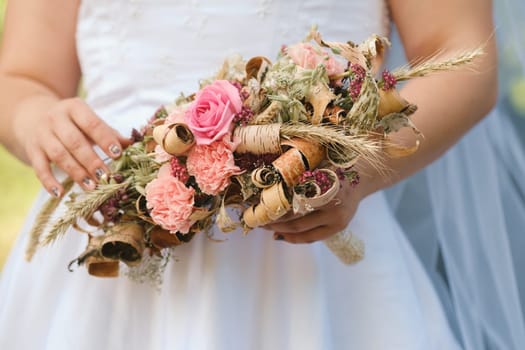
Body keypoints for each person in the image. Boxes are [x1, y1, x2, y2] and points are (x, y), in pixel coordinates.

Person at [0, 0, 502, 349]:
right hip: (110, 254)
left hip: (313, 244)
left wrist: (358, 170)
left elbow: (463, 58)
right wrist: (33, 119)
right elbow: (24, 77)